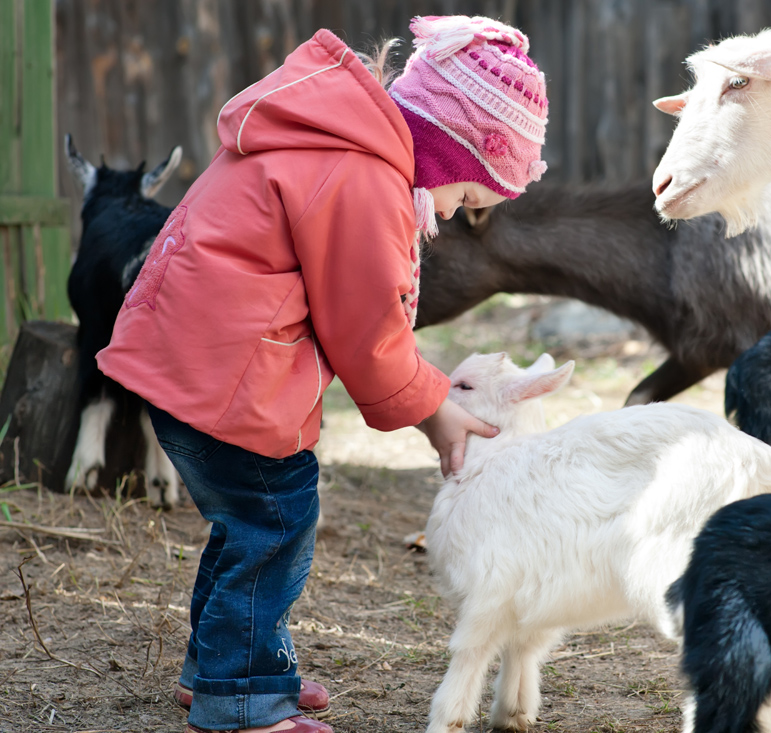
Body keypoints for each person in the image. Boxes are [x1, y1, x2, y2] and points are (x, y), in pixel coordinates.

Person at [96, 16, 548, 733]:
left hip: (188, 363)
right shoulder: (363, 178)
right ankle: (241, 698)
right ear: (451, 143)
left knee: (243, 523)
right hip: (224, 380)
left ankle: (222, 668)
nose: (468, 211)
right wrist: (434, 406)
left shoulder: (333, 138)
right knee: (276, 520)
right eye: (473, 192)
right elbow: (367, 332)